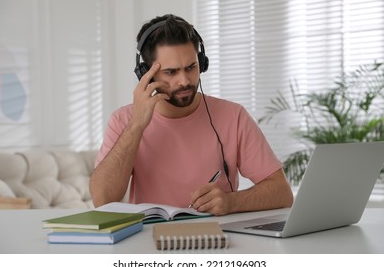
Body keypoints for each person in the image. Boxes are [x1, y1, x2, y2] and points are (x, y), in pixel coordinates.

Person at [90, 14, 293, 215]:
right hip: (148, 239)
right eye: (171, 72)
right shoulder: (123, 120)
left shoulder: (234, 116)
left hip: (216, 239)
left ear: (202, 63)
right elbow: (103, 200)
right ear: (146, 74)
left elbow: (282, 193)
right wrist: (136, 125)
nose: (185, 81)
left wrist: (232, 202)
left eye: (191, 67)